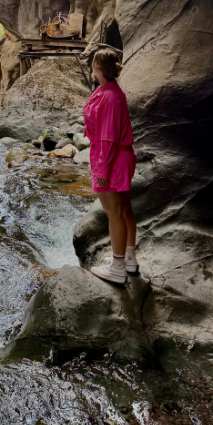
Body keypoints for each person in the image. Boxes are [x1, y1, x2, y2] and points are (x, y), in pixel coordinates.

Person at [83, 48, 138, 285]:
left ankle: (117, 269)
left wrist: (102, 171)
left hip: (111, 160)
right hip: (119, 157)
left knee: (114, 213)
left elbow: (108, 137)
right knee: (124, 209)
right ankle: (129, 259)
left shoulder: (110, 97)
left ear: (97, 69)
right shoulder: (110, 91)